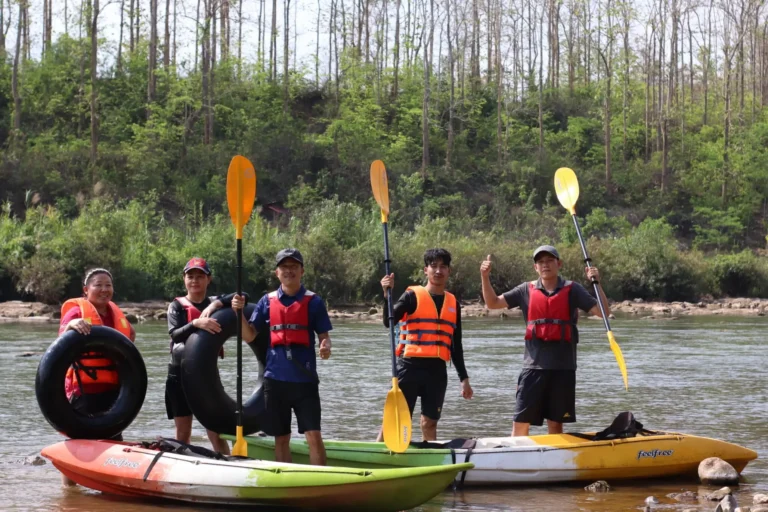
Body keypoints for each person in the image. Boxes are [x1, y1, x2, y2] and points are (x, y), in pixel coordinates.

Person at [480, 245, 609, 437]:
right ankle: (517, 459)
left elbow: (604, 313)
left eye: (549, 260)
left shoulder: (573, 289)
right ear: (535, 267)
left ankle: (553, 462)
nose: (545, 265)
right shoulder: (525, 289)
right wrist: (485, 277)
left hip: (563, 368)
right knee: (521, 422)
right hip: (533, 368)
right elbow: (493, 303)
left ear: (559, 264)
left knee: (556, 425)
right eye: (540, 262)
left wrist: (597, 283)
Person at [229, 248, 332, 465]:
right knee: (281, 438)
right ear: (277, 273)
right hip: (275, 380)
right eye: (284, 267)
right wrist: (237, 313)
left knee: (313, 436)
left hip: (305, 381)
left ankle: (319, 482)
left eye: (293, 266)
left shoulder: (314, 302)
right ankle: (287, 479)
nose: (289, 271)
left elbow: (324, 337)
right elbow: (249, 335)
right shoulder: (267, 301)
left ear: (302, 271)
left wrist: (325, 347)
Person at [377, 248, 473, 443]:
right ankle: (375, 453)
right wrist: (386, 295)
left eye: (443, 267)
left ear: (449, 271)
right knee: (396, 418)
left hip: (436, 371)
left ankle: (428, 455)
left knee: (430, 422)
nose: (438, 271)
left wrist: (464, 378)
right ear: (425, 270)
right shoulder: (412, 296)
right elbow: (389, 321)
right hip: (410, 366)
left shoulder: (453, 303)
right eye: (434, 266)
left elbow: (456, 345)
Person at [59, 267, 136, 485]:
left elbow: (130, 335)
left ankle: (109, 488)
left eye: (108, 285)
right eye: (98, 285)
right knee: (78, 442)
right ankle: (71, 494)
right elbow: (62, 334)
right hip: (83, 389)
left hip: (113, 391)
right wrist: (72, 325)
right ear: (86, 290)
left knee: (113, 441)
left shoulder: (115, 315)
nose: (104, 289)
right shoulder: (77, 312)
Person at [165, 258, 231, 455]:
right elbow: (175, 334)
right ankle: (180, 469)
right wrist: (195, 324)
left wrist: (216, 304)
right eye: (190, 276)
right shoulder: (176, 306)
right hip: (179, 374)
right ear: (184, 279)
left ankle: (228, 464)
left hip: (206, 376)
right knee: (183, 432)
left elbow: (241, 295)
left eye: (200, 276)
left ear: (208, 279)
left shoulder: (215, 304)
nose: (195, 281)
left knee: (215, 431)